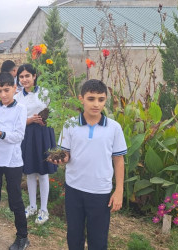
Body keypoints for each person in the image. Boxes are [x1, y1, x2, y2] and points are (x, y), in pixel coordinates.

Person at [49, 79, 126, 250]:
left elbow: (119, 160)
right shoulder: (70, 124)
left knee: (98, 240)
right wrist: (61, 159)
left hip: (100, 192)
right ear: (81, 98)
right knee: (74, 236)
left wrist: (119, 190)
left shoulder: (114, 128)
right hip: (74, 189)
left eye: (101, 99)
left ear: (105, 100)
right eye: (91, 99)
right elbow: (66, 154)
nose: (96, 104)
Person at [0, 72, 29, 250]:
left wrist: (0, 134)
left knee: (15, 199)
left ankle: (22, 236)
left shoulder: (20, 109)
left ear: (15, 89)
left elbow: (19, 136)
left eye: (7, 90)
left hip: (13, 160)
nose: (3, 95)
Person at [13, 64, 58, 225]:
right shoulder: (17, 98)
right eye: (21, 77)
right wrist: (30, 120)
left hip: (43, 134)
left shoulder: (45, 93)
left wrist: (45, 119)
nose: (24, 79)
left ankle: (43, 209)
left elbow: (54, 112)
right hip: (27, 134)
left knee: (43, 172)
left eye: (27, 76)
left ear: (34, 76)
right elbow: (16, 121)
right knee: (30, 172)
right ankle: (32, 206)